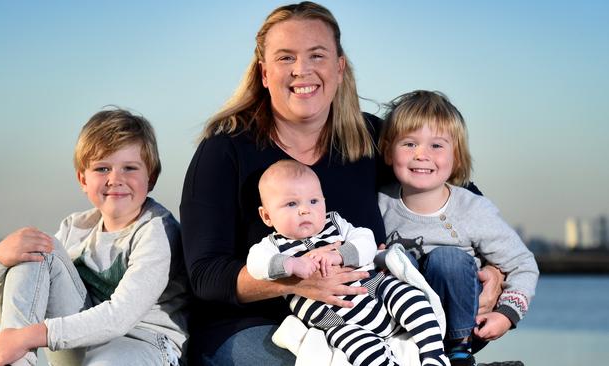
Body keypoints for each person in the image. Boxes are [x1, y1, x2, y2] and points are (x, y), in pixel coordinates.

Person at [180, 2, 502, 365]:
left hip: (371, 315)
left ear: (339, 67)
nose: (302, 70)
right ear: (264, 73)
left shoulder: (370, 139)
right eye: (285, 58)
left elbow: (459, 198)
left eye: (316, 55)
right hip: (255, 325)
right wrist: (297, 281)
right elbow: (206, 276)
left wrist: (494, 270)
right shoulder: (224, 152)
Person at [0, 109, 189, 366]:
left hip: (147, 346)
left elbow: (119, 317)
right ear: (83, 179)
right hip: (80, 344)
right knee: (35, 248)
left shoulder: (157, 231)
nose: (115, 179)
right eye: (102, 168)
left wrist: (32, 335)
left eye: (129, 168)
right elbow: (14, 322)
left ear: (151, 178)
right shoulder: (75, 227)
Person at [377, 90, 539, 366]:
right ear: (389, 152)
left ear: (458, 158)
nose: (421, 155)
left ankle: (458, 355)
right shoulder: (380, 204)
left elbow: (523, 263)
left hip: (460, 329)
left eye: (436, 146)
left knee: (447, 259)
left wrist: (506, 314)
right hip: (403, 326)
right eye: (409, 144)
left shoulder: (472, 210)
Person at [247, 159, 449, 366]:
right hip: (334, 320)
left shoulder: (335, 223)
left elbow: (366, 240)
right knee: (358, 349)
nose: (305, 210)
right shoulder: (272, 246)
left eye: (314, 201)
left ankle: (434, 354)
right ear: (267, 216)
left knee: (410, 296)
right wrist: (291, 265)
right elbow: (255, 264)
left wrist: (340, 255)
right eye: (292, 204)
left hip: (372, 289)